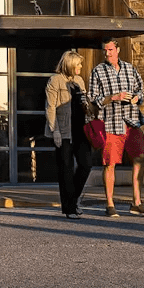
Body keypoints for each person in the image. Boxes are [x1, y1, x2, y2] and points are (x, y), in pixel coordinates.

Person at [89, 38, 144, 218]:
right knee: (110, 164)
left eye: (110, 50)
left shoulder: (130, 68)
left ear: (118, 49)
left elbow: (141, 90)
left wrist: (136, 98)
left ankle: (137, 203)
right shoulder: (98, 71)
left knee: (139, 159)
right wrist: (113, 97)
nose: (107, 53)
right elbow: (93, 98)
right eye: (105, 50)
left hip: (132, 122)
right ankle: (110, 205)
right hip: (111, 123)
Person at [45, 50, 93, 218]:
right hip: (64, 131)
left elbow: (85, 104)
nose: (80, 66)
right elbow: (50, 107)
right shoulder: (55, 80)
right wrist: (55, 130)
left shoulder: (79, 81)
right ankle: (69, 208)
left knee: (86, 164)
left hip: (81, 130)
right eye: (78, 64)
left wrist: (86, 105)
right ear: (70, 64)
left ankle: (73, 199)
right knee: (65, 169)